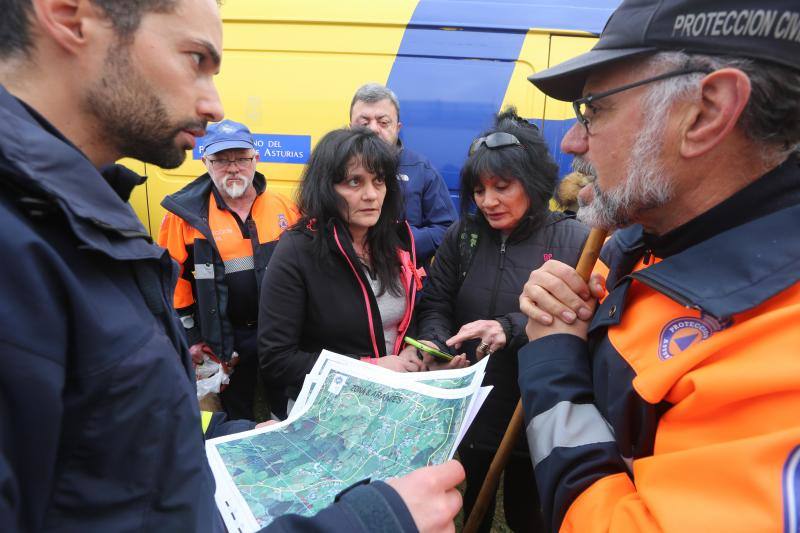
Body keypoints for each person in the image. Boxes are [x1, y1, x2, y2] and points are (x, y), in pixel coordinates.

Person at [0, 0, 464, 531]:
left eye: (378, 181)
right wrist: (371, 519)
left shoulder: (87, 216)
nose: (216, 105)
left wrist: (239, 436)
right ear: (68, 15)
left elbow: (123, 447)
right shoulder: (26, 244)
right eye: (195, 57)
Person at [517, 0, 800, 531]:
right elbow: (583, 316)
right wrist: (545, 310)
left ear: (706, 113)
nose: (572, 141)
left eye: (594, 109)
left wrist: (552, 366)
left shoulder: (784, 343)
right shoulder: (647, 239)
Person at [414, 109, 590, 532]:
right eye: (478, 189)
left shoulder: (573, 240)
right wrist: (438, 343)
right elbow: (436, 302)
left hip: (538, 412)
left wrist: (506, 327)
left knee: (529, 517)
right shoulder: (465, 236)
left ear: (531, 182)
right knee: (471, 507)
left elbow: (574, 316)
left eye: (502, 187)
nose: (487, 201)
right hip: (476, 412)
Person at [258, 127, 426, 415]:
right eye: (354, 182)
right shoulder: (296, 251)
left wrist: (417, 348)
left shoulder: (395, 238)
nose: (371, 195)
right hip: (326, 412)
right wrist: (368, 368)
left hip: (391, 404)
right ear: (325, 187)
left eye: (379, 181)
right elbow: (277, 359)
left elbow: (411, 314)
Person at [158, 119, 298, 420]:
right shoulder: (185, 218)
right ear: (206, 163)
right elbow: (172, 280)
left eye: (241, 159)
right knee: (237, 411)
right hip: (225, 335)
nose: (233, 168)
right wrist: (192, 336)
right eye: (221, 160)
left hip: (279, 331)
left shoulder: (284, 207)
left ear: (255, 160)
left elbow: (305, 271)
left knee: (286, 404)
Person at [349, 82, 458, 264]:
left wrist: (402, 240)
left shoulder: (421, 169)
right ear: (350, 127)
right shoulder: (334, 169)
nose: (373, 129)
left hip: (405, 281)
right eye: (364, 122)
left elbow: (448, 228)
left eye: (383, 122)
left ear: (398, 128)